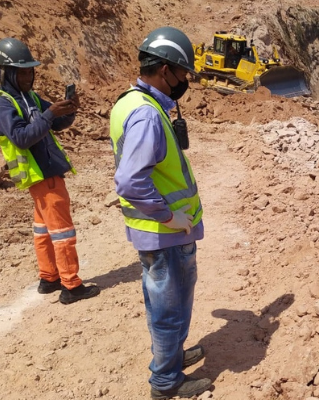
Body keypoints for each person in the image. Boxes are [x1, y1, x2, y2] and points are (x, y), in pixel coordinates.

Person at [108, 27, 211, 399]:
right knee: (170, 306)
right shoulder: (147, 115)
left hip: (159, 230)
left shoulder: (130, 101)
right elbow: (131, 181)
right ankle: (166, 382)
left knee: (169, 302)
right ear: (165, 70)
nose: (184, 81)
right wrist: (169, 216)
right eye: (182, 73)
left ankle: (173, 357)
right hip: (165, 232)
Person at [0, 37, 101, 304]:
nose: (29, 76)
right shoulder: (1, 103)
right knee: (62, 231)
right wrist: (49, 115)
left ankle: (49, 278)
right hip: (42, 175)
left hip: (43, 174)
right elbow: (21, 137)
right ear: (7, 72)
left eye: (31, 70)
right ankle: (71, 285)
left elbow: (55, 122)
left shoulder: (28, 97)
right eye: (23, 71)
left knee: (44, 228)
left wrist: (69, 111)